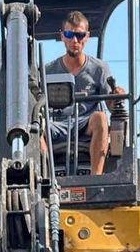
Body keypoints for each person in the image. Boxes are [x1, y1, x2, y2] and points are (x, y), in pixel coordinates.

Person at [44, 10, 125, 177]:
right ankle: (45, 178)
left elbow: (111, 107)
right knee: (33, 127)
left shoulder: (99, 69)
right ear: (62, 36)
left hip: (84, 125)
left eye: (80, 36)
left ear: (87, 36)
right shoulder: (47, 71)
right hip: (56, 125)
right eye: (69, 34)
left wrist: (115, 97)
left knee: (101, 118)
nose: (75, 40)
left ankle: (96, 178)